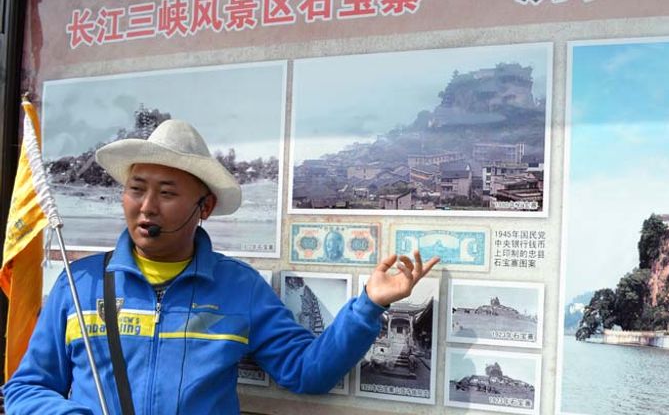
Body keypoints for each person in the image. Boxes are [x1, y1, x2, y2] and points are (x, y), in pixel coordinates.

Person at [3, 119, 439, 414]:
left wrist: (367, 306)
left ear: (204, 207)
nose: (147, 207)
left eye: (168, 193)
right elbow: (24, 389)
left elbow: (308, 371)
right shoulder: (79, 286)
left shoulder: (239, 288)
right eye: (136, 189)